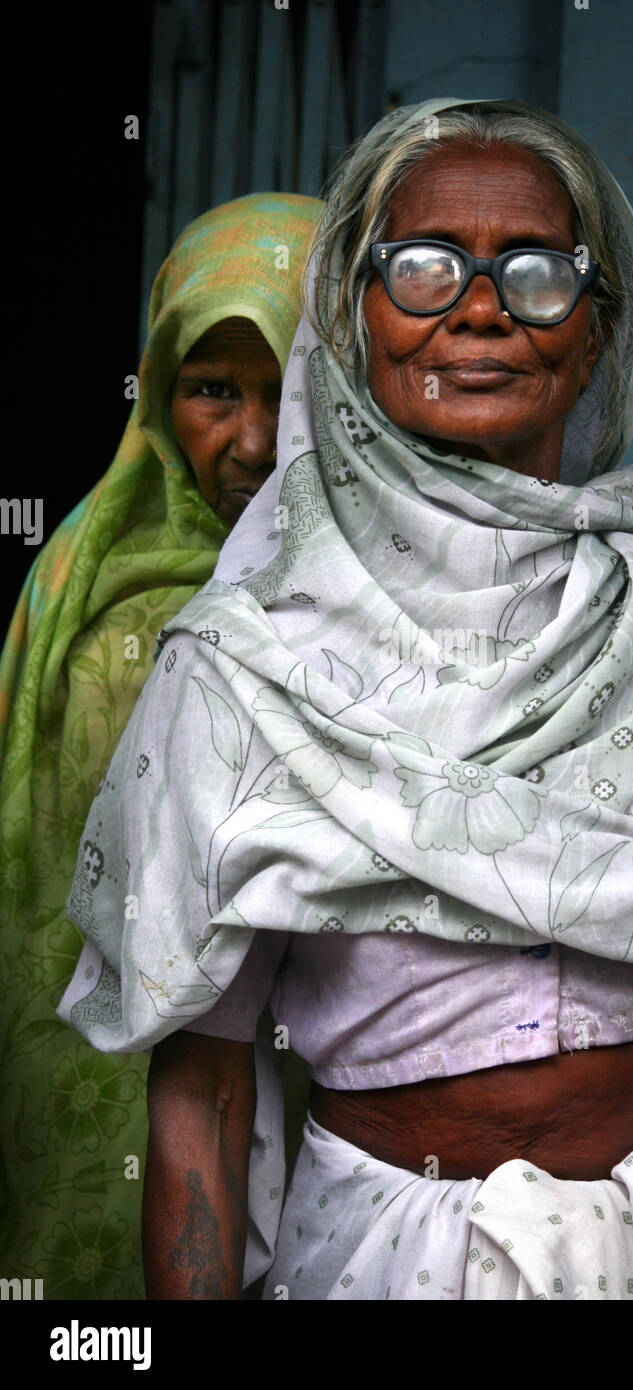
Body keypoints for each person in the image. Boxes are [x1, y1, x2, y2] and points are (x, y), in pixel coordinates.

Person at [57, 99, 633, 1301]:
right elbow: (206, 1091)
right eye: (424, 267)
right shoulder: (244, 660)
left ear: (593, 334)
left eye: (536, 274)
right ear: (354, 318)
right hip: (395, 1260)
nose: (480, 309)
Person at [0, 191, 322, 1298]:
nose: (251, 441)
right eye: (211, 390)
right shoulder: (92, 598)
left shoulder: (387, 599)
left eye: (287, 393)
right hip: (101, 1102)